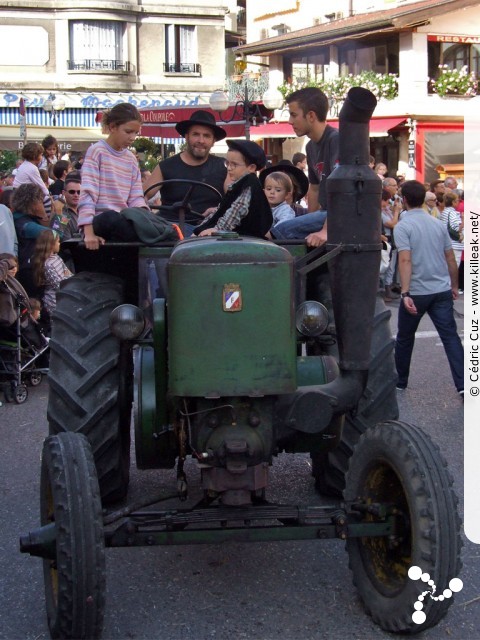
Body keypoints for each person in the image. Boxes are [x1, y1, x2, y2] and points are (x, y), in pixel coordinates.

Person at [393, 180, 463, 398]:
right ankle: (462, 384)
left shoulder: (403, 226)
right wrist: (454, 285)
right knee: (450, 337)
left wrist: (405, 293)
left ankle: (401, 381)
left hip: (416, 290)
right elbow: (450, 258)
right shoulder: (437, 224)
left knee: (405, 337)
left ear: (403, 200)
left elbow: (405, 260)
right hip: (440, 288)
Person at [269, 87, 339, 246]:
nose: (289, 121)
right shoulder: (310, 147)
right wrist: (309, 223)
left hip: (340, 216)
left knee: (281, 231)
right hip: (325, 214)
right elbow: (314, 189)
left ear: (311, 116)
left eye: (293, 115)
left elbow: (341, 190)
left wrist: (326, 230)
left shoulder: (336, 140)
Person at [142, 110, 228, 232]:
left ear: (213, 141)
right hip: (170, 228)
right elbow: (140, 195)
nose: (201, 140)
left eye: (207, 136)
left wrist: (219, 209)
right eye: (196, 134)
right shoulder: (166, 166)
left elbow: (234, 199)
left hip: (208, 229)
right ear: (186, 136)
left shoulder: (223, 167)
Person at [77, 102, 148, 250]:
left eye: (136, 133)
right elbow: (88, 193)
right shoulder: (97, 151)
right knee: (112, 217)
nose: (133, 137)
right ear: (112, 127)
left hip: (122, 220)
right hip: (101, 219)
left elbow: (136, 197)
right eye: (128, 132)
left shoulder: (131, 159)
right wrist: (88, 232)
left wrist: (145, 218)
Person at [193, 140, 272, 239]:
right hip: (237, 235)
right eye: (228, 163)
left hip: (247, 235)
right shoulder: (237, 185)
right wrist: (201, 228)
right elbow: (220, 210)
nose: (229, 168)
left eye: (234, 164)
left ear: (251, 168)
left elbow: (237, 210)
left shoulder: (249, 183)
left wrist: (218, 229)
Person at [32, 229, 72, 317]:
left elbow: (68, 274)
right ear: (51, 244)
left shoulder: (56, 257)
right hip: (55, 303)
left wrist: (67, 275)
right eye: (58, 241)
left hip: (62, 299)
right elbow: (60, 285)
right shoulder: (49, 264)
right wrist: (67, 276)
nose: (59, 244)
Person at [13, 142, 52, 218]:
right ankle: (47, 220)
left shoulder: (24, 165)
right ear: (35, 156)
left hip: (17, 192)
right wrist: (50, 196)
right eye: (41, 155)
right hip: (25, 194)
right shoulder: (32, 168)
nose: (42, 157)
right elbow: (41, 185)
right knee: (47, 200)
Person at [381, 189, 401, 301]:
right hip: (385, 239)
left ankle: (387, 288)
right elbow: (393, 224)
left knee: (390, 266)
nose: (388, 204)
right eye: (387, 201)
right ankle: (384, 290)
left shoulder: (386, 210)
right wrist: (396, 212)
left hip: (390, 240)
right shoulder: (380, 212)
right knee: (385, 266)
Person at [50, 173, 80, 241]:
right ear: (64, 193)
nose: (76, 195)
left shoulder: (85, 211)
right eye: (72, 192)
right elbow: (56, 237)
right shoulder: (63, 215)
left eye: (79, 192)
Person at [440, 191, 463, 266]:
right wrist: (463, 221)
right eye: (457, 201)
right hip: (454, 244)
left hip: (447, 243)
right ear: (453, 202)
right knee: (454, 266)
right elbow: (456, 228)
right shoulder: (452, 213)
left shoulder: (444, 212)